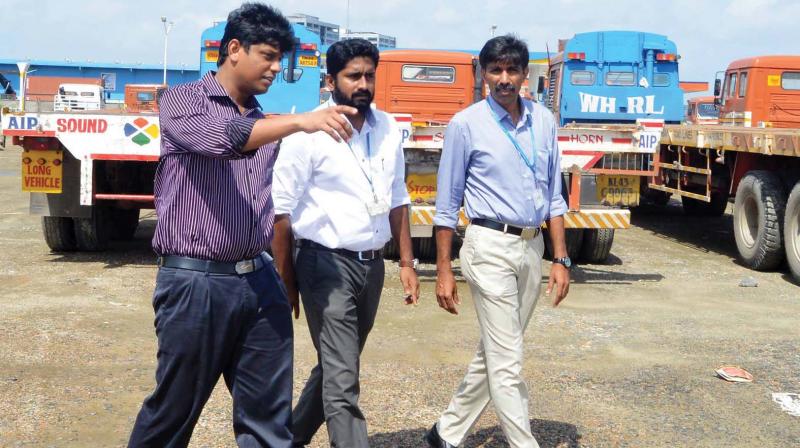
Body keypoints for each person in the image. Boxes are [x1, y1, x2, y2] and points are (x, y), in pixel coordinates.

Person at [127, 3, 359, 447]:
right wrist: (299, 122)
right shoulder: (182, 102)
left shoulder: (261, 119)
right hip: (195, 284)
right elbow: (225, 141)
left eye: (280, 59)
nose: (276, 68)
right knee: (171, 414)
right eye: (268, 56)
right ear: (234, 49)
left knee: (269, 420)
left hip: (258, 282)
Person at [271, 38, 420, 447]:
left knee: (339, 365)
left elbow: (398, 198)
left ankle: (286, 439)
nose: (364, 84)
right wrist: (287, 284)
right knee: (342, 380)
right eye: (354, 76)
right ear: (331, 79)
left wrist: (406, 264)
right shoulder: (307, 133)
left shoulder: (387, 128)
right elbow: (280, 214)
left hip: (372, 267)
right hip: (324, 266)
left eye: (370, 75)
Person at [425, 35, 571, 448]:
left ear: (526, 73)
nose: (504, 79)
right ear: (484, 73)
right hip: (488, 247)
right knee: (508, 362)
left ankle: (447, 434)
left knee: (497, 349)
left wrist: (560, 258)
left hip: (532, 247)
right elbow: (447, 205)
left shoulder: (543, 121)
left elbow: (554, 196)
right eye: (496, 70)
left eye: (512, 70)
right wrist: (443, 271)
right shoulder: (466, 125)